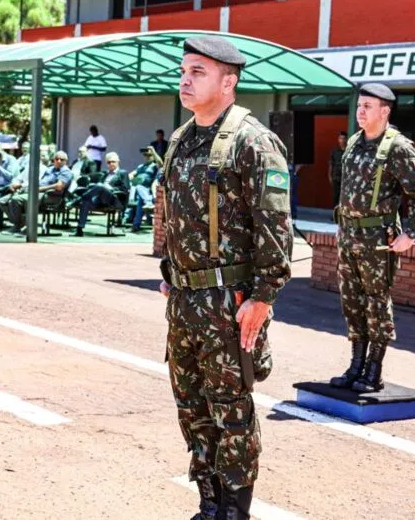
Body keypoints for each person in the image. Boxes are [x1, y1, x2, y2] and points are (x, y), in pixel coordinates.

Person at [159, 36, 292, 520]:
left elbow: (275, 229)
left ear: (228, 81)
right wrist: (168, 272)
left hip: (228, 302)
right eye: (184, 71)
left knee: (231, 411)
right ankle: (209, 505)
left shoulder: (253, 142)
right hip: (185, 302)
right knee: (192, 408)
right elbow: (172, 214)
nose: (185, 80)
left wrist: (262, 297)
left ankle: (236, 512)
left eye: (198, 72)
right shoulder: (180, 139)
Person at [330, 83, 415, 394]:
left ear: (384, 111)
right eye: (359, 105)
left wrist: (409, 234)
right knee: (352, 302)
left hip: (378, 238)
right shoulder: (353, 143)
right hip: (348, 236)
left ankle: (373, 369)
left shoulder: (398, 148)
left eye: (367, 106)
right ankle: (356, 363)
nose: (360, 111)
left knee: (376, 303)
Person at [4, 150, 73, 235]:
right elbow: (40, 181)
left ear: (65, 161)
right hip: (39, 192)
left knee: (24, 200)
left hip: (52, 196)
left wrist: (41, 189)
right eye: (56, 159)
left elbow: (59, 186)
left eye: (61, 159)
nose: (58, 161)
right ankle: (18, 225)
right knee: (9, 200)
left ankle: (28, 228)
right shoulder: (50, 169)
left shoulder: (65, 171)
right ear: (53, 160)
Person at [72, 152, 129, 237]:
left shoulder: (122, 173)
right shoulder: (104, 174)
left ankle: (76, 199)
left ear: (118, 162)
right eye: (109, 162)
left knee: (99, 186)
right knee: (86, 201)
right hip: (101, 199)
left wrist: (110, 188)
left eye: (113, 161)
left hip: (115, 199)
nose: (111, 164)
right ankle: (79, 229)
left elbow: (125, 189)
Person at [125, 146, 160, 232]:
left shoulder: (155, 166)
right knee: (140, 200)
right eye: (146, 155)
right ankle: (136, 224)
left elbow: (161, 163)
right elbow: (132, 174)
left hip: (147, 188)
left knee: (138, 187)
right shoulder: (141, 166)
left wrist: (154, 151)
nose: (148, 157)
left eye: (150, 155)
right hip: (139, 189)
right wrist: (128, 177)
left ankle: (135, 223)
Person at [328, 131, 346, 208]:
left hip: (346, 178)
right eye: (340, 138)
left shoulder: (348, 151)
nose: (341, 140)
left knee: (344, 196)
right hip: (336, 177)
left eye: (343, 138)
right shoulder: (335, 151)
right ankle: (335, 214)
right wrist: (329, 175)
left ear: (346, 139)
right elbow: (331, 164)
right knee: (336, 196)